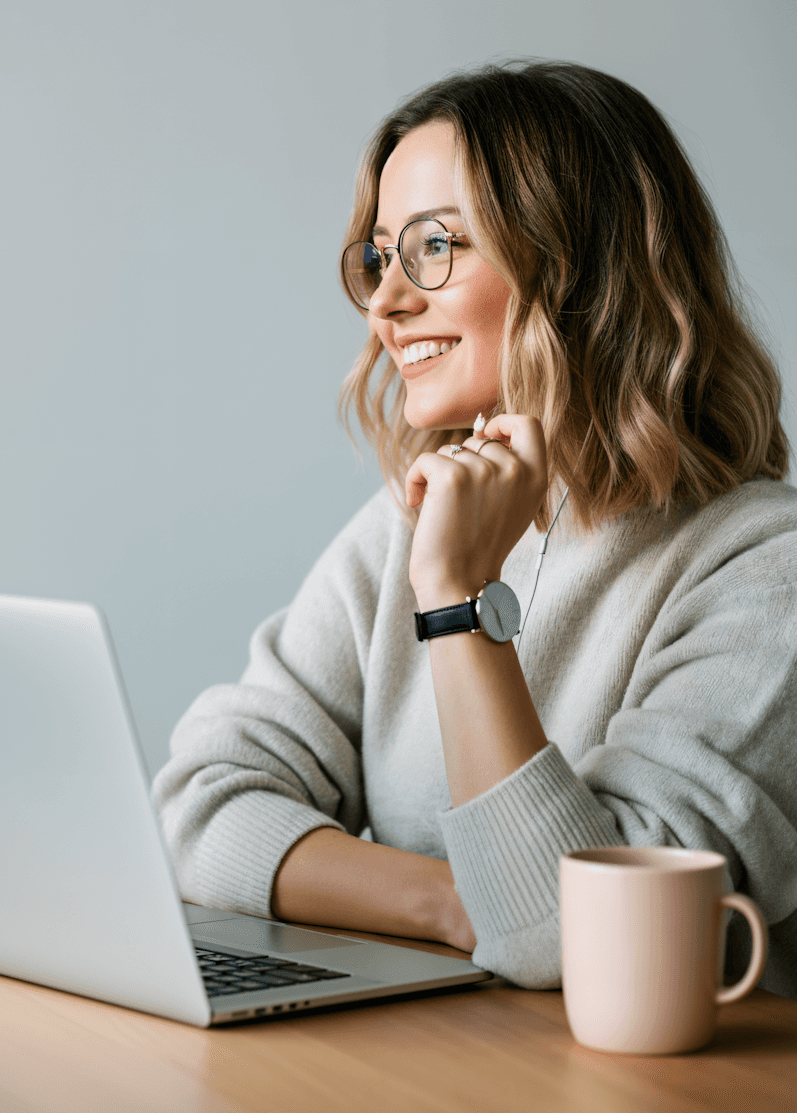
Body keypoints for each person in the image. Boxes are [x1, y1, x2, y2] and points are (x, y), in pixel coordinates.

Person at [152, 61, 797, 998]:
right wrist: (458, 905)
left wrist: (457, 602)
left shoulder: (761, 573)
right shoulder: (407, 524)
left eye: (437, 247)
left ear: (579, 268)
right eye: (381, 256)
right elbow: (199, 808)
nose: (384, 303)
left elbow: (582, 948)